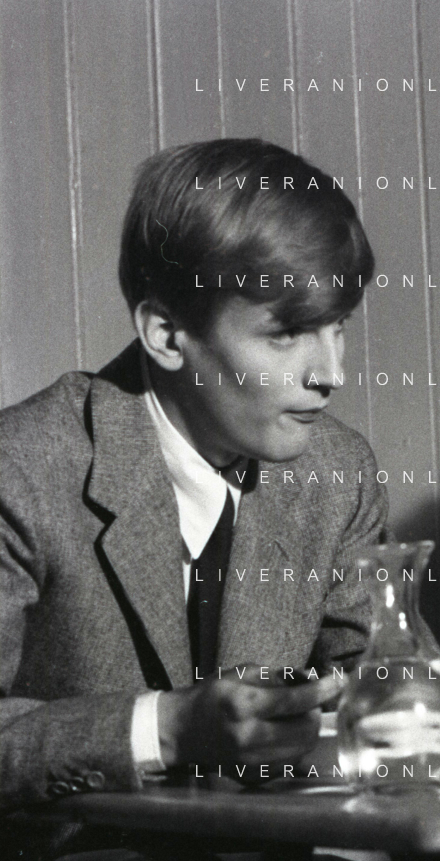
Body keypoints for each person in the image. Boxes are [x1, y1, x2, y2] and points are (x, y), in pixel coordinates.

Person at [0, 139, 384, 849]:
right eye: (288, 333)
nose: (330, 373)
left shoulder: (338, 471)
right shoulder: (18, 469)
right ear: (167, 334)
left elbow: (374, 689)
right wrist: (167, 729)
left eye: (338, 327)